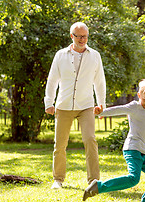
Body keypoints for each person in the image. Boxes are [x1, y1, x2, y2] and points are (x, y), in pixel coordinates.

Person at [44, 22, 106, 189]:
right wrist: (49, 102)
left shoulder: (95, 56)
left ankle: (94, 180)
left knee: (90, 140)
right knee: (60, 144)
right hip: (63, 105)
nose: (82, 39)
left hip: (86, 105)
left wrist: (101, 103)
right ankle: (58, 179)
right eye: (78, 36)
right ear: (72, 36)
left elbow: (99, 81)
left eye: (85, 36)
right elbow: (52, 80)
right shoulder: (60, 55)